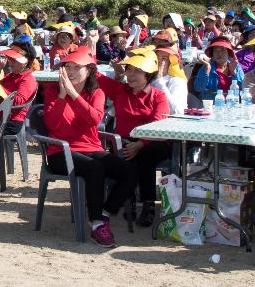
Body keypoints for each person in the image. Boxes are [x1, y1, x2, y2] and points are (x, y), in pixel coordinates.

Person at [40, 48, 134, 247]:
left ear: (90, 71)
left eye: (77, 67)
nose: (71, 71)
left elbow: (94, 119)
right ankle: (97, 223)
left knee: (129, 170)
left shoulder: (96, 92)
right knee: (95, 168)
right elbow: (52, 124)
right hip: (60, 152)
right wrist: (63, 96)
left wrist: (74, 95)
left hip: (90, 148)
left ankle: (105, 212)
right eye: (67, 66)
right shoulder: (52, 92)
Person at [98, 50, 171, 227]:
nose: (130, 75)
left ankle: (148, 205)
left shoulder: (158, 96)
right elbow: (96, 76)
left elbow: (157, 123)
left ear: (148, 74)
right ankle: (125, 200)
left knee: (145, 157)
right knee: (123, 158)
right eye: (129, 70)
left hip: (153, 140)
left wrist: (140, 143)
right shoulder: (120, 90)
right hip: (124, 141)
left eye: (136, 71)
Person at [191, 36, 245, 104]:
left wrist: (233, 73)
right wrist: (207, 72)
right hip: (212, 105)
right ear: (212, 54)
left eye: (222, 50)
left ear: (228, 53)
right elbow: (198, 88)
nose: (219, 54)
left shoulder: (236, 66)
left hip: (233, 104)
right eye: (216, 51)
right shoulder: (206, 67)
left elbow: (243, 88)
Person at [152, 46, 188, 115]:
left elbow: (176, 111)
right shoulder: (147, 79)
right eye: (156, 57)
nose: (158, 60)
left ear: (171, 62)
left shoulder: (178, 82)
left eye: (163, 58)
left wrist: (159, 81)